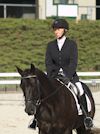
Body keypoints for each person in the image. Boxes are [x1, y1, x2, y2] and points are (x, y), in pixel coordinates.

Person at [45, 18, 93, 129]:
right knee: (43, 91)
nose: (56, 31)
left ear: (65, 30)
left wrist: (68, 76)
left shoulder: (72, 45)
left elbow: (73, 62)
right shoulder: (50, 46)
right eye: (55, 29)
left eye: (59, 29)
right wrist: (53, 74)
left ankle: (86, 117)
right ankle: (36, 119)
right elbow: (48, 63)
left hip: (70, 76)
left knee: (80, 90)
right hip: (54, 76)